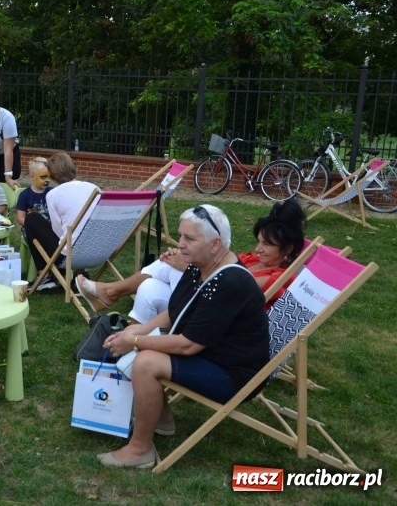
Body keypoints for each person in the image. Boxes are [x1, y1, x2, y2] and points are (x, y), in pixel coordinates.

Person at [97, 204, 269, 469]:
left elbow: (187, 345)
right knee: (145, 346)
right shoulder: (199, 267)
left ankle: (140, 450)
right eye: (181, 236)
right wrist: (137, 330)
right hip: (211, 355)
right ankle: (162, 420)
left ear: (215, 244)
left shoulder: (230, 282)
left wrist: (133, 341)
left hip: (234, 375)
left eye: (189, 238)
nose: (180, 244)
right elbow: (174, 312)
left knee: (146, 361)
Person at [76, 199, 307, 321]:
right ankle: (133, 340)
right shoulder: (252, 258)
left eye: (267, 244)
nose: (258, 249)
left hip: (217, 315)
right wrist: (185, 260)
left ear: (287, 249)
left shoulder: (281, 278)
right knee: (149, 285)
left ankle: (112, 294)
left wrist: (186, 265)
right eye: (259, 241)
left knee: (173, 264)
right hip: (198, 301)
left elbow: (227, 287)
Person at [25, 152, 99, 291]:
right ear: (73, 168)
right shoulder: (94, 188)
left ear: (52, 176)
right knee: (81, 230)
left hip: (69, 256)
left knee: (32, 219)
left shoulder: (53, 194)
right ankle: (81, 274)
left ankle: (45, 275)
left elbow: (58, 231)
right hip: (98, 252)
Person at [15, 156, 52, 228]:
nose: (47, 180)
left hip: (50, 228)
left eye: (49, 177)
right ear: (32, 176)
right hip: (32, 230)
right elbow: (20, 218)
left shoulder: (52, 193)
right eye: (43, 177)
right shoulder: (25, 195)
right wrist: (34, 226)